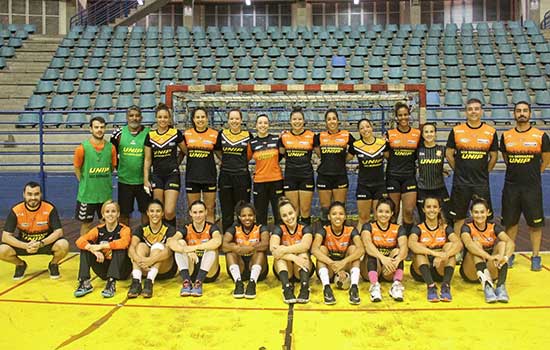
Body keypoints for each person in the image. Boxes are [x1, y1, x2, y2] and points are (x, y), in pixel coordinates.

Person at [500, 101, 550, 271]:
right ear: (514, 114)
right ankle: (509, 254)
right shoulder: (506, 136)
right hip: (511, 186)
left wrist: (535, 174)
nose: (522, 113)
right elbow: (506, 158)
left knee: (535, 224)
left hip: (532, 188)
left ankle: (535, 256)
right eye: (518, 111)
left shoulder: (540, 136)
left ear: (530, 113)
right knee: (511, 223)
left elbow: (546, 159)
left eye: (525, 111)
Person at [446, 98, 498, 236]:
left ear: (481, 111)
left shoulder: (491, 131)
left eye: (476, 109)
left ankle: (483, 246)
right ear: (466, 112)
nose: (473, 111)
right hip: (461, 182)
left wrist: (485, 172)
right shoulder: (457, 130)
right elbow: (449, 153)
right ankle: (456, 251)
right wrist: (458, 170)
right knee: (459, 218)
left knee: (482, 218)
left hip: (481, 182)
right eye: (470, 109)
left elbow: (494, 156)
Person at [0, 182, 69, 279]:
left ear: (41, 194)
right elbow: (5, 237)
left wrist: (41, 243)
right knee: (1, 250)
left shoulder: (49, 208)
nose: (33, 197)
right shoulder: (16, 210)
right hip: (25, 245)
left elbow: (58, 232)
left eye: (36, 194)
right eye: (29, 194)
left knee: (63, 244)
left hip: (44, 243)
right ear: (24, 194)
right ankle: (20, 265)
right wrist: (25, 246)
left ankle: (53, 264)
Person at [460, 197, 515, 303]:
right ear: (471, 213)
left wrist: (505, 257)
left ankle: (500, 286)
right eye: (476, 212)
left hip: (491, 270)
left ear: (488, 212)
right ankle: (487, 287)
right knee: (475, 245)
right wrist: (490, 257)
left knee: (502, 244)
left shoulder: (493, 227)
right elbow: (468, 244)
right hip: (471, 272)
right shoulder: (466, 227)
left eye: (482, 212)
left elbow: (510, 243)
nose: (479, 215)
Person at [74, 200, 132, 298]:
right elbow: (79, 241)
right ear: (103, 215)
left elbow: (124, 243)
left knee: (119, 247)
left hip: (122, 270)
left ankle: (111, 283)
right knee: (86, 247)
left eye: (113, 211)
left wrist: (101, 246)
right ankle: (85, 282)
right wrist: (93, 250)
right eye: (107, 212)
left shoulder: (124, 229)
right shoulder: (98, 229)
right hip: (103, 268)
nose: (110, 214)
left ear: (118, 214)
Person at [409, 197, 462, 302]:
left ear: (439, 209)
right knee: (420, 249)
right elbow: (411, 244)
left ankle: (446, 286)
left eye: (434, 207)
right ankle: (431, 287)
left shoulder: (446, 228)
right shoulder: (418, 228)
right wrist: (434, 253)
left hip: (440, 268)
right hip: (421, 271)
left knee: (450, 246)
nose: (431, 210)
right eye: (428, 207)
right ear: (423, 209)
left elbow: (458, 244)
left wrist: (445, 254)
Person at [311, 201, 363, 305]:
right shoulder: (323, 230)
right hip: (330, 268)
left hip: (345, 266)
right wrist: (332, 264)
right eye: (334, 214)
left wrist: (343, 263)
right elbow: (314, 250)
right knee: (321, 249)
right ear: (329, 217)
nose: (337, 217)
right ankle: (326, 288)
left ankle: (354, 288)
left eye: (341, 214)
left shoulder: (351, 230)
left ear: (345, 217)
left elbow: (361, 249)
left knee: (353, 248)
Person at [143, 103, 186, 227]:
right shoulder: (150, 136)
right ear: (156, 118)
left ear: (169, 119)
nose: (163, 120)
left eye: (165, 117)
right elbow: (147, 160)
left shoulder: (175, 133)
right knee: (158, 211)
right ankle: (160, 237)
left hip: (172, 175)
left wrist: (176, 163)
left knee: (169, 211)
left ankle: (171, 235)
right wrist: (146, 179)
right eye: (160, 117)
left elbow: (185, 151)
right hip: (157, 175)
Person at [168, 200, 222, 297]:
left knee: (212, 247)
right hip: (191, 269)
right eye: (195, 212)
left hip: (209, 272)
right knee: (180, 242)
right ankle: (186, 282)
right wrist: (186, 250)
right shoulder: (186, 228)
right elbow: (171, 242)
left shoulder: (211, 227)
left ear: (206, 212)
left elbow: (218, 241)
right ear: (190, 213)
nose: (198, 215)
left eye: (201, 212)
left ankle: (199, 282)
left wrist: (194, 248)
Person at [74, 116, 117, 236]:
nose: (99, 130)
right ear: (90, 129)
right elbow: (77, 168)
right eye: (96, 127)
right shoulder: (82, 148)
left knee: (107, 224)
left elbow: (112, 167)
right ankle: (85, 250)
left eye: (102, 127)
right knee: (86, 225)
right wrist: (84, 182)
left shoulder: (111, 148)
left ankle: (106, 250)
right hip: (87, 195)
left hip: (105, 195)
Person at [360, 198, 408, 302]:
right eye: (380, 211)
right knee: (372, 252)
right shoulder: (368, 226)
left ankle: (396, 285)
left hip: (388, 270)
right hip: (371, 268)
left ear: (392, 214)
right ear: (376, 212)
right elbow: (368, 245)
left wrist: (397, 260)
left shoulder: (398, 228)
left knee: (398, 251)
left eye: (387, 212)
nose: (383, 215)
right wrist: (382, 258)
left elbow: (404, 248)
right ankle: (374, 286)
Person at [127, 200, 177, 299]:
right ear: (147, 213)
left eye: (158, 211)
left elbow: (168, 252)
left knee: (157, 246)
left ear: (162, 213)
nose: (155, 214)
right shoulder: (141, 228)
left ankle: (150, 282)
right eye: (152, 211)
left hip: (165, 270)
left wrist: (151, 260)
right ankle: (136, 281)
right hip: (145, 267)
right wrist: (139, 259)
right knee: (140, 246)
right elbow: (131, 248)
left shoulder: (169, 229)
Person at [313, 109, 355, 226]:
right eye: (329, 119)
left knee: (339, 209)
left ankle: (341, 238)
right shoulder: (319, 137)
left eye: (334, 118)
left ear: (338, 120)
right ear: (326, 122)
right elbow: (318, 152)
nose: (332, 121)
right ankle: (325, 237)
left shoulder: (346, 135)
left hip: (340, 176)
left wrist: (342, 160)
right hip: (324, 176)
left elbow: (353, 149)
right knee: (325, 209)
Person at [111, 106, 151, 226]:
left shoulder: (149, 133)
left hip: (144, 181)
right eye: (131, 115)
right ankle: (125, 239)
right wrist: (118, 169)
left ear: (141, 117)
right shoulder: (118, 134)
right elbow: (112, 154)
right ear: (126, 117)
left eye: (137, 115)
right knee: (124, 213)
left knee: (147, 212)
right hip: (125, 181)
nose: (134, 118)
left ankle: (145, 238)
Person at [384, 102, 420, 233]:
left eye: (405, 114)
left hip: (409, 177)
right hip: (393, 177)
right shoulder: (390, 134)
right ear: (396, 117)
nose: (403, 117)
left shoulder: (417, 134)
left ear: (409, 115)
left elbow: (418, 155)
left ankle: (409, 238)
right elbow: (387, 154)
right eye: (400, 115)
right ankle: (393, 240)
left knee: (409, 211)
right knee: (393, 212)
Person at [215, 108, 253, 232]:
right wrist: (225, 161)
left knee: (243, 211)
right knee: (227, 213)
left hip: (242, 175)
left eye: (237, 118)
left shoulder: (248, 135)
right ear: (228, 120)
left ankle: (244, 237)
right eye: (232, 118)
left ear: (241, 120)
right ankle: (228, 238)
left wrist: (240, 163)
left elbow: (250, 154)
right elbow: (218, 150)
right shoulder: (222, 134)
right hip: (225, 175)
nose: (234, 121)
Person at [270, 197, 313, 304]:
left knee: (303, 253)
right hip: (287, 270)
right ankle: (286, 288)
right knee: (279, 258)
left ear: (296, 212)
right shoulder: (278, 228)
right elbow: (273, 250)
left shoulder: (305, 227)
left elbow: (305, 246)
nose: (289, 217)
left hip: (302, 267)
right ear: (281, 217)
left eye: (290, 213)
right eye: (284, 215)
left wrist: (284, 249)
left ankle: (305, 287)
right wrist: (294, 257)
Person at [222, 201, 269, 299]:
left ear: (254, 216)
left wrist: (250, 248)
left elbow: (265, 244)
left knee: (260, 251)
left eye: (250, 215)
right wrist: (236, 248)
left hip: (258, 268)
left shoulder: (261, 227)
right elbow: (224, 245)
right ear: (239, 217)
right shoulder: (234, 228)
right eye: (243, 216)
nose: (247, 218)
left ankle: (252, 283)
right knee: (230, 251)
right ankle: (238, 283)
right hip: (240, 267)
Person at [278, 107, 315, 225]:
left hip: (306, 176)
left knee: (305, 210)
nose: (297, 121)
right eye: (294, 119)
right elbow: (281, 153)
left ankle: (306, 235)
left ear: (304, 121)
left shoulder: (312, 136)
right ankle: (294, 237)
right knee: (293, 210)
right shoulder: (284, 137)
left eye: (299, 119)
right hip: (290, 176)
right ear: (290, 121)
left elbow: (319, 153)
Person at [348, 118, 387, 229]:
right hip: (363, 186)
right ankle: (359, 244)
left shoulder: (382, 143)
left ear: (372, 127)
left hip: (379, 186)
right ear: (359, 131)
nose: (365, 129)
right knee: (363, 218)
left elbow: (390, 157)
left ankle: (378, 244)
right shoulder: (356, 145)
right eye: (361, 128)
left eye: (367, 126)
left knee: (378, 218)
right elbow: (346, 159)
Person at [183, 107, 219, 223]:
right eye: (197, 117)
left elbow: (220, 154)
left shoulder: (214, 134)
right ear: (193, 119)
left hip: (209, 177)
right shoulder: (187, 134)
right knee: (194, 210)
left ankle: (211, 237)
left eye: (203, 117)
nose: (200, 120)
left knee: (209, 209)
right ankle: (193, 237)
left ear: (207, 119)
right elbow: (182, 153)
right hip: (192, 177)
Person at [251, 114, 284, 225]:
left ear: (269, 125)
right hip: (259, 182)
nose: (263, 125)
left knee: (278, 212)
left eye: (265, 123)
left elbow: (281, 155)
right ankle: (263, 238)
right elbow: (246, 158)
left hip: (276, 181)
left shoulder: (276, 139)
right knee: (260, 214)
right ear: (256, 125)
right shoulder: (252, 143)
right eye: (260, 123)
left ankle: (279, 238)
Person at [416, 123, 451, 222]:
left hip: (439, 188)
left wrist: (443, 169)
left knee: (447, 216)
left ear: (435, 134)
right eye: (426, 132)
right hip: (423, 189)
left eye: (431, 131)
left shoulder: (442, 149)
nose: (429, 134)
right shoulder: (418, 151)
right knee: (423, 218)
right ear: (422, 135)